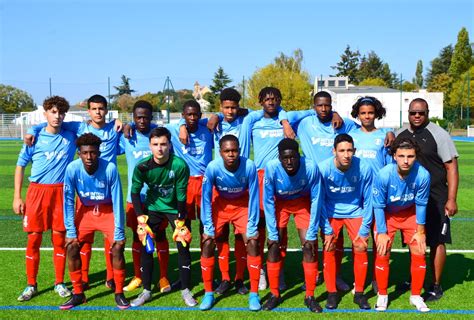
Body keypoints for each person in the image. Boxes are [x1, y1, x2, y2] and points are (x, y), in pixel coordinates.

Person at [26, 94, 123, 291]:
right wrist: (31, 129)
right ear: (89, 111)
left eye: (101, 108)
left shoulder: (115, 128)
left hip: (108, 190)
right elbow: (52, 124)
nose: (97, 112)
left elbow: (133, 131)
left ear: (106, 110)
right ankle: (84, 278)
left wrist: (123, 123)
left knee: (110, 240)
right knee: (83, 240)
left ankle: (110, 278)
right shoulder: (79, 128)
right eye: (94, 109)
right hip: (86, 192)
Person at [13, 96, 76, 302]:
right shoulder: (35, 138)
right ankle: (31, 284)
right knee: (33, 240)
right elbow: (20, 166)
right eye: (53, 112)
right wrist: (17, 196)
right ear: (45, 113)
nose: (57, 116)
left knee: (59, 239)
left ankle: (59, 282)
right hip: (36, 193)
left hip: (60, 193)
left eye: (60, 113)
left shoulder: (71, 136)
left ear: (65, 115)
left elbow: (90, 125)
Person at [397, 98, 459, 301]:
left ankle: (436, 284)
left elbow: (451, 167)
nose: (417, 116)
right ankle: (415, 277)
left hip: (436, 197)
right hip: (410, 198)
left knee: (437, 241)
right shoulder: (401, 134)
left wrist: (451, 198)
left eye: (421, 113)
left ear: (427, 113)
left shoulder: (439, 134)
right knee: (414, 239)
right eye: (413, 113)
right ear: (408, 113)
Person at [60, 133, 129, 309]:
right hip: (85, 212)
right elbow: (68, 200)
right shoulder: (72, 169)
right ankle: (78, 293)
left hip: (107, 211)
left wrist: (119, 231)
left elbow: (117, 201)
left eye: (92, 152)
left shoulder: (110, 168)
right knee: (72, 245)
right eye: (85, 153)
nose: (89, 157)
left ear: (99, 152)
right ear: (79, 153)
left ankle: (119, 292)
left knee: (117, 246)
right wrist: (70, 230)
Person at [130, 127, 197, 307]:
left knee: (183, 246)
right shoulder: (142, 167)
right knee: (147, 247)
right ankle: (146, 291)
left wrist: (181, 219)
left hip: (175, 208)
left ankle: (185, 290)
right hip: (153, 208)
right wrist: (140, 217)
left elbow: (182, 195)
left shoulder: (179, 165)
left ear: (169, 145)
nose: (160, 148)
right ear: (150, 146)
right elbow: (135, 193)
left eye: (163, 144)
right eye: (155, 144)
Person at [199, 135, 261, 311]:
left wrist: (252, 224)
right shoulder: (213, 167)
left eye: (234, 150)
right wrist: (208, 226)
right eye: (227, 151)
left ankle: (254, 294)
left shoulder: (249, 165)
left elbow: (254, 196)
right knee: (208, 241)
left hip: (242, 205)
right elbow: (205, 197)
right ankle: (208, 293)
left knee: (253, 241)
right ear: (220, 152)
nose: (231, 154)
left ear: (239, 150)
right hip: (221, 204)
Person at [262, 139, 323, 313]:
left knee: (309, 245)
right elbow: (267, 200)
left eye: (293, 157)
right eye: (285, 158)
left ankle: (310, 295)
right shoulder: (272, 167)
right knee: (273, 244)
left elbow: (316, 198)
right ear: (279, 157)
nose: (289, 162)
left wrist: (312, 231)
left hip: (302, 203)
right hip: (280, 203)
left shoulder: (310, 167)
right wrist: (272, 232)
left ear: (299, 155)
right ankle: (274, 293)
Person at [373, 137, 431, 312]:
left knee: (419, 250)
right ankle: (382, 294)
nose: (406, 161)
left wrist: (420, 231)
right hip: (388, 214)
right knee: (382, 250)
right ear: (394, 156)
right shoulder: (383, 175)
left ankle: (416, 295)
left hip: (409, 214)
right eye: (402, 156)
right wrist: (382, 232)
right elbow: (378, 205)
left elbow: (421, 204)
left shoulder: (423, 175)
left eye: (411, 156)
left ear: (416, 156)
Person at [119, 101, 170, 293]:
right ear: (133, 118)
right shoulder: (127, 136)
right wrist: (124, 125)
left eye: (146, 117)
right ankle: (138, 276)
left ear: (151, 117)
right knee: (136, 236)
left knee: (160, 235)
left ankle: (163, 277)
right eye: (138, 117)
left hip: (157, 198)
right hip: (135, 198)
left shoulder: (159, 135)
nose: (142, 120)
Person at [319, 134, 373, 310]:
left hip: (355, 211)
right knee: (329, 247)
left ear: (354, 151)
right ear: (334, 151)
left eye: (350, 150)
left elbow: (369, 200)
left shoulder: (364, 167)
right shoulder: (323, 169)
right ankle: (332, 292)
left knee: (361, 246)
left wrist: (365, 229)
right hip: (331, 212)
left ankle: (359, 293)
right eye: (342, 150)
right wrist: (326, 229)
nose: (346, 154)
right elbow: (319, 200)